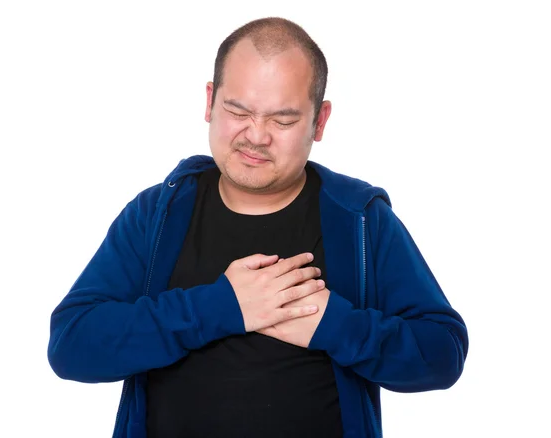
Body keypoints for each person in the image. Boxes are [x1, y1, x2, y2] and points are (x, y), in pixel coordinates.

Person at [48, 16, 468, 438]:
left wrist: (336, 326)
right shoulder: (156, 214)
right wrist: (220, 308)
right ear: (210, 102)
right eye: (237, 111)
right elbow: (72, 345)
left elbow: (442, 354)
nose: (257, 135)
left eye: (283, 121)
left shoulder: (360, 219)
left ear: (319, 122)